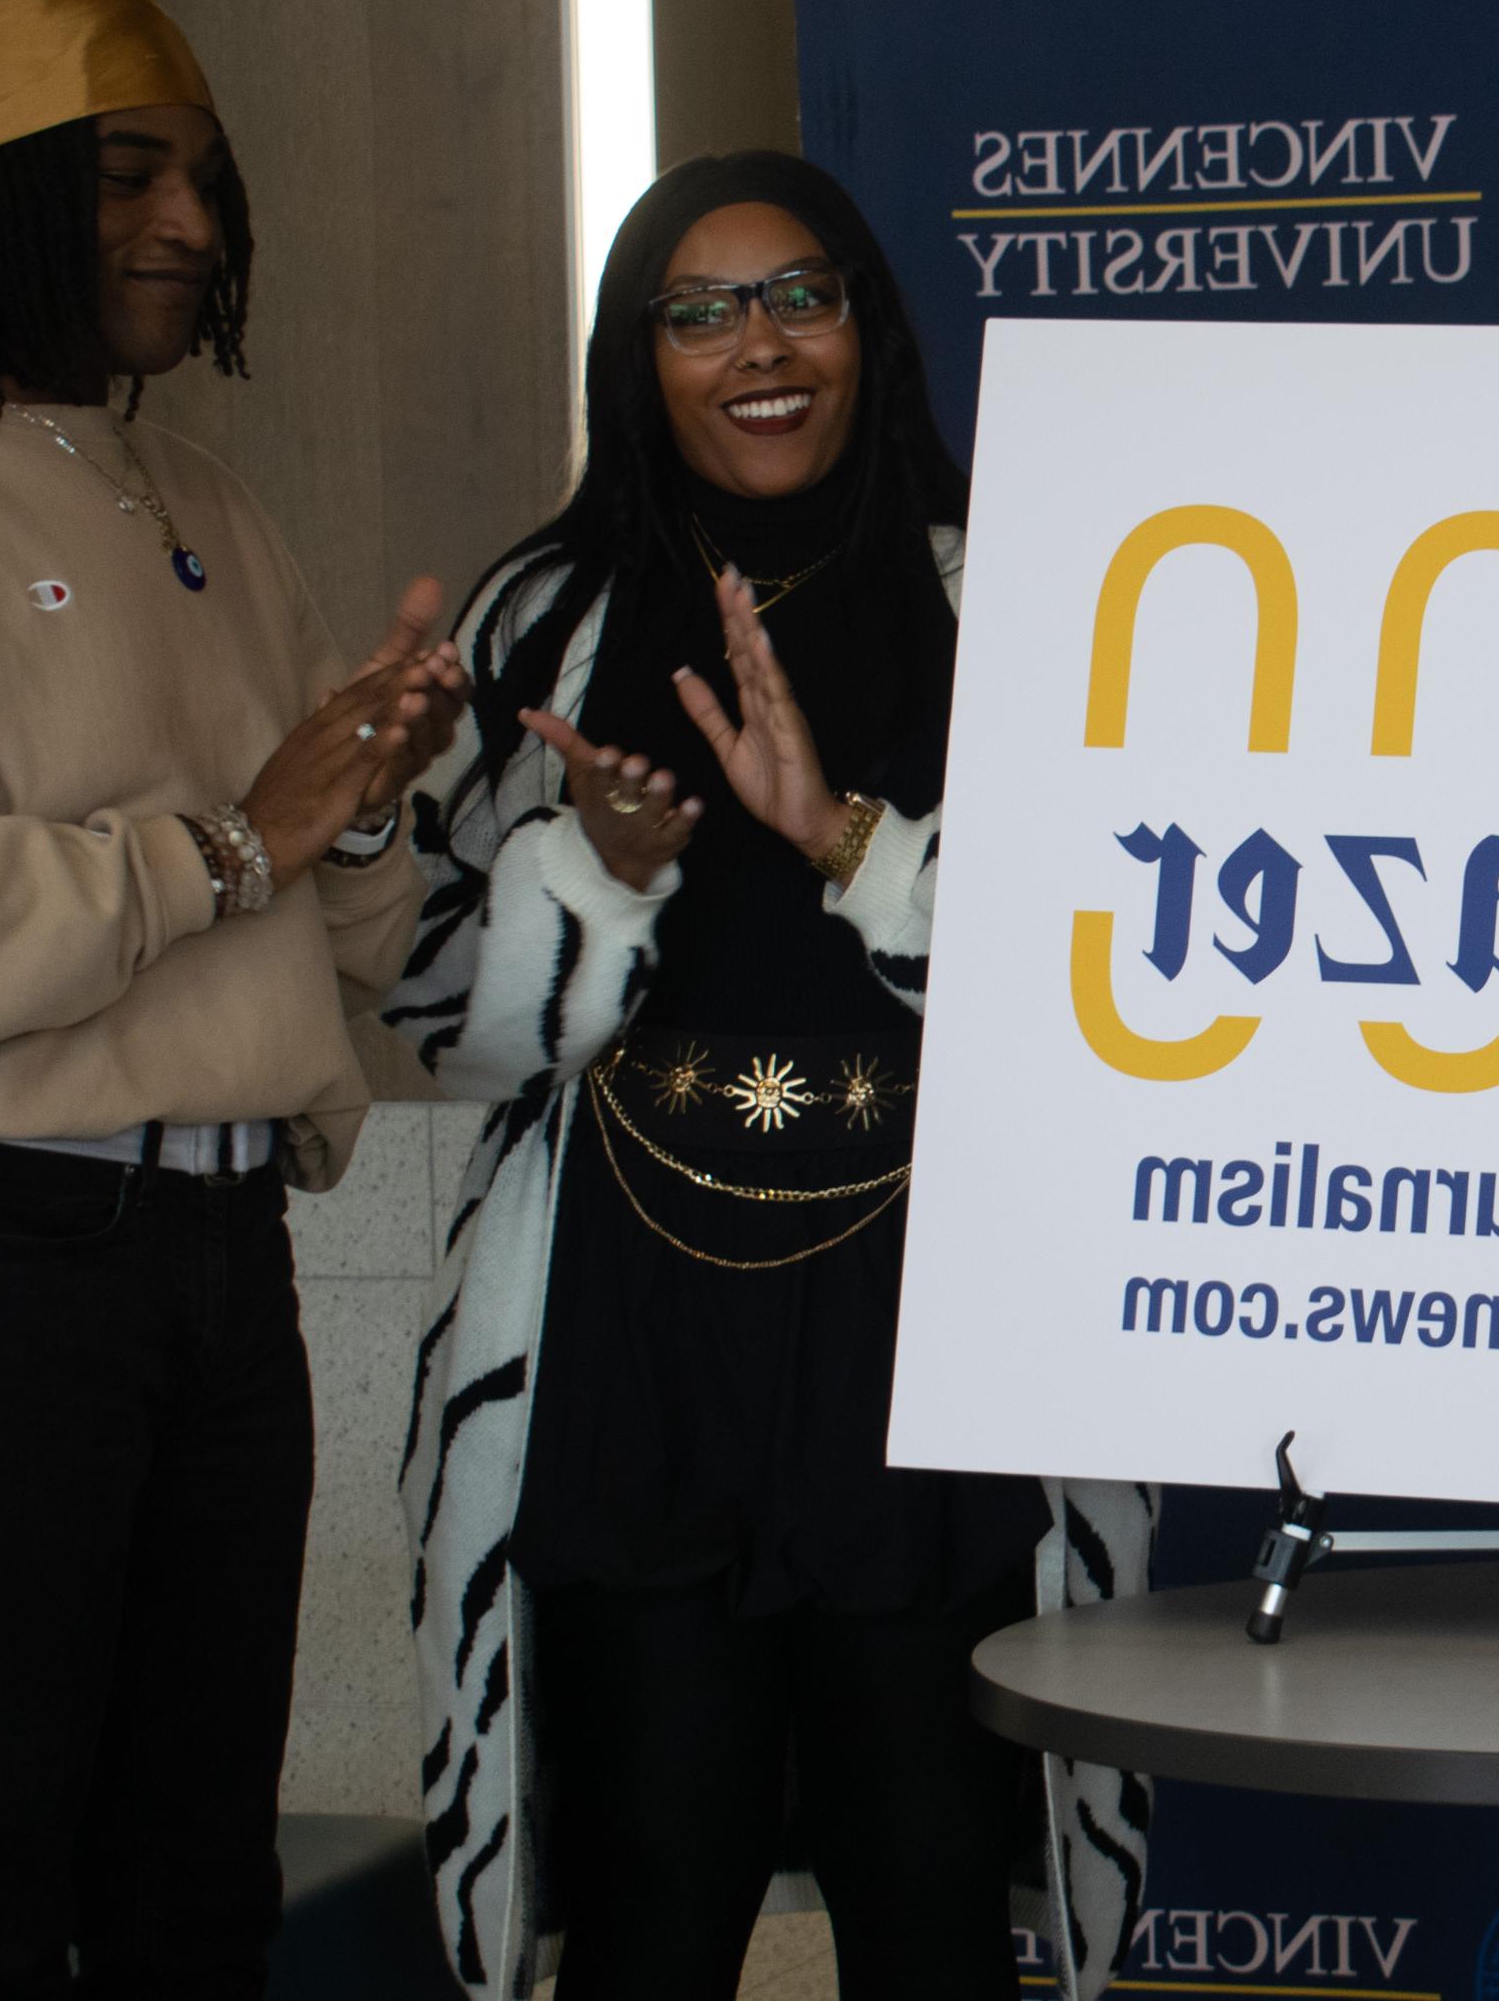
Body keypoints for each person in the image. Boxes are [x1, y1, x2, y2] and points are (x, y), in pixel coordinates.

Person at [0, 0, 463, 1995]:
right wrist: (232, 835)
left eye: (203, 178)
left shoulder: (207, 504)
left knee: (194, 1891)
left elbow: (329, 940)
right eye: (125, 174)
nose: (190, 225)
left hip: (221, 1260)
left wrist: (366, 803)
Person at [388, 150, 1152, 2001]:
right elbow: (432, 1008)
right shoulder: (543, 619)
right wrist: (599, 873)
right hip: (636, 1329)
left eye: (799, 294)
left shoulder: (1023, 597)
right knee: (658, 1873)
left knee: (927, 1876)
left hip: (927, 1328)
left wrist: (854, 840)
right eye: (701, 310)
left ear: (867, 328)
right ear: (637, 358)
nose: (760, 345)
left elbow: (1125, 979)